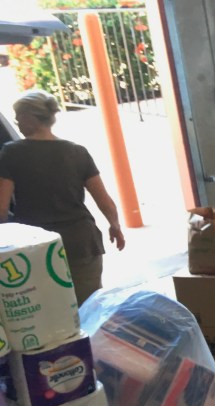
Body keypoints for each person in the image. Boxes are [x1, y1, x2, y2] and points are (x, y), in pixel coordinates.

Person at [0, 90, 125, 306]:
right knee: (89, 307)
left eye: (18, 116)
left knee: (47, 310)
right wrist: (115, 225)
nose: (17, 121)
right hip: (81, 242)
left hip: (36, 247)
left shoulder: (11, 153)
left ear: (31, 117)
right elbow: (103, 199)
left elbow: (1, 208)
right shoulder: (77, 152)